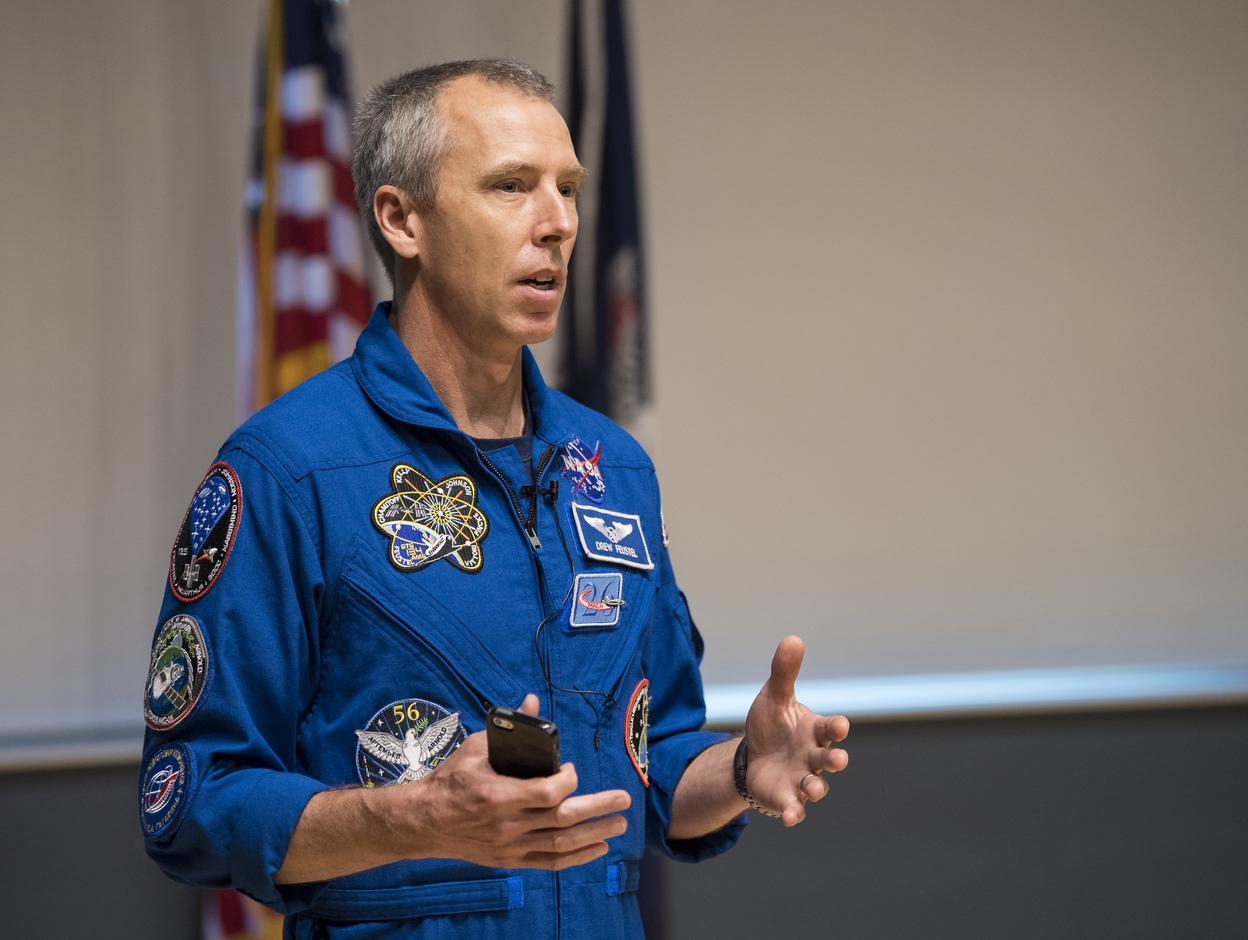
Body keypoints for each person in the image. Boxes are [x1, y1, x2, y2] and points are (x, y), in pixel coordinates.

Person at [140, 59, 849, 938]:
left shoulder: (612, 466)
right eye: (512, 186)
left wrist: (743, 768)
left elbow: (654, 771)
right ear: (403, 220)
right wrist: (417, 815)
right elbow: (190, 800)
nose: (557, 224)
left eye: (568, 189)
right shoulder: (288, 470)